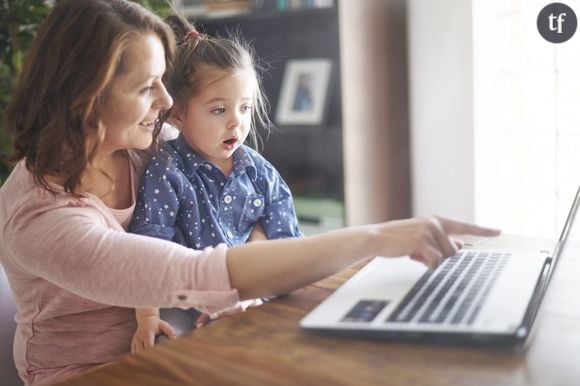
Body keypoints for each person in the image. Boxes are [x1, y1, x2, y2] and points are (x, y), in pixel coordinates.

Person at [0, 1, 500, 385]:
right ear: (87, 94)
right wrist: (373, 237)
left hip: (188, 342)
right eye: (148, 87)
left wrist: (262, 237)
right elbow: (187, 273)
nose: (169, 102)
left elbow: (238, 204)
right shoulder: (40, 216)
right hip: (93, 372)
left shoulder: (148, 145)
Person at [128, 17, 303, 352]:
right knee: (172, 346)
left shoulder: (259, 172)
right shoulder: (168, 171)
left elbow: (289, 246)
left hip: (249, 293)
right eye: (219, 109)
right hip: (185, 302)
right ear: (177, 114)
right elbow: (148, 250)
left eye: (245, 108)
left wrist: (254, 293)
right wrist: (147, 317)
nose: (236, 121)